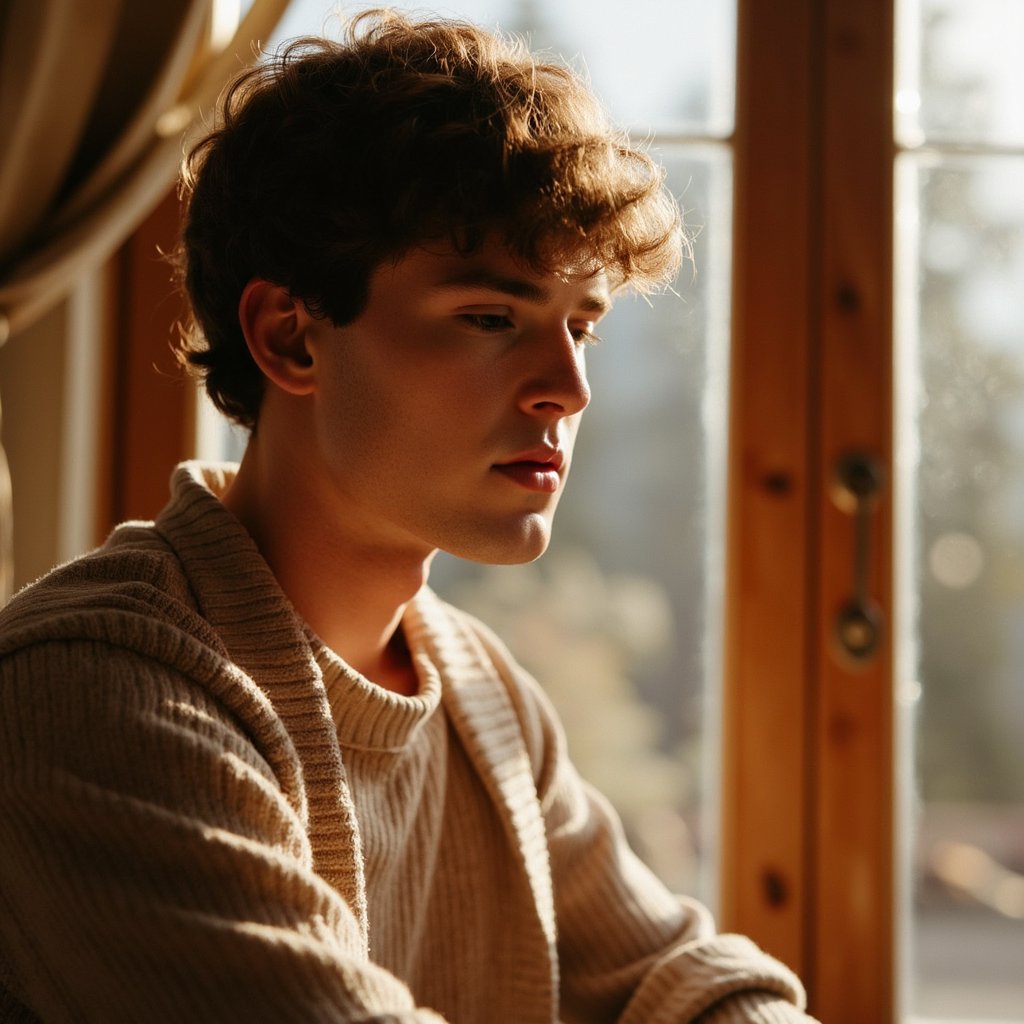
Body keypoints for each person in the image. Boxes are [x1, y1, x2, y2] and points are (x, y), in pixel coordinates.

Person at [0, 9, 817, 1022]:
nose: (567, 388)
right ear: (291, 337)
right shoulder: (88, 691)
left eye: (581, 327)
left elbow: (678, 979)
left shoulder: (483, 693)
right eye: (490, 318)